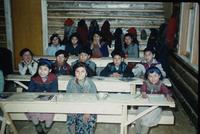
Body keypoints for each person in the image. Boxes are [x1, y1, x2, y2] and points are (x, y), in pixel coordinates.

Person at [135, 66, 173, 134]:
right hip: (146, 103)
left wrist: (168, 96)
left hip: (156, 105)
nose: (153, 78)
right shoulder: (146, 83)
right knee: (138, 116)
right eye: (150, 76)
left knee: (148, 119)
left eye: (155, 76)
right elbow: (143, 89)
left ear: (159, 76)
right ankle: (138, 132)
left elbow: (166, 91)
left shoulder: (161, 84)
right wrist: (143, 93)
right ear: (147, 77)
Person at [26, 58, 58, 134]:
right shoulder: (34, 78)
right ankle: (37, 125)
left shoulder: (53, 77)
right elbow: (30, 91)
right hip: (36, 100)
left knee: (49, 113)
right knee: (32, 111)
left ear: (49, 70)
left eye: (45, 69)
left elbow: (54, 91)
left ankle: (47, 127)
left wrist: (45, 95)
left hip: (48, 100)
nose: (42, 72)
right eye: (40, 69)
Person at [66, 62, 97, 134]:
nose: (80, 73)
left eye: (82, 71)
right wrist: (73, 109)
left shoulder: (90, 83)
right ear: (74, 73)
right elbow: (68, 98)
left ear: (86, 73)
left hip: (88, 108)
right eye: (77, 71)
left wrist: (87, 112)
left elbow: (93, 100)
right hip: (74, 107)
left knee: (88, 121)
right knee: (72, 121)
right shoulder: (71, 82)